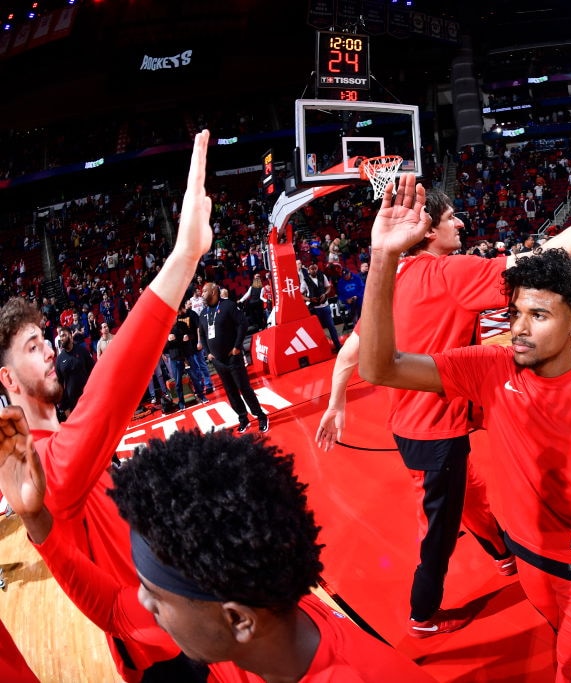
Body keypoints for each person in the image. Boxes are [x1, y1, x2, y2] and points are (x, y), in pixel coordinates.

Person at [315, 144, 571, 648]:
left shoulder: (396, 277)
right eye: (451, 218)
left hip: (412, 419)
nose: (460, 224)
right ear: (428, 231)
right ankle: (422, 613)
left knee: (469, 490)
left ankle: (500, 551)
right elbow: (544, 260)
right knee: (440, 526)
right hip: (436, 422)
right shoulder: (449, 272)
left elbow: (353, 350)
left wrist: (335, 401)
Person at [0, 131, 216, 681]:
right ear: (8, 379)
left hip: (181, 623)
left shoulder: (60, 447)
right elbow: (110, 389)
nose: (49, 349)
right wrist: (183, 257)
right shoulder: (43, 467)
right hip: (160, 654)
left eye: (44, 338)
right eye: (32, 347)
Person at [0, 414, 435, 683]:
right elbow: (115, 608)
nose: (142, 601)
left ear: (237, 619)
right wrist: (35, 517)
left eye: (155, 595)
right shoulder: (243, 612)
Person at [198, 281, 269, 434]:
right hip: (218, 361)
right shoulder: (203, 313)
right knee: (230, 391)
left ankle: (260, 416)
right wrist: (208, 353)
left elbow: (243, 324)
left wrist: (237, 346)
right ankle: (243, 418)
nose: (201, 294)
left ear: (213, 292)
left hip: (233, 358)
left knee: (244, 388)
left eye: (204, 291)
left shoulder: (228, 306)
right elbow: (202, 334)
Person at [165, 301, 210, 412]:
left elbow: (191, 335)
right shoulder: (165, 330)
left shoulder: (183, 325)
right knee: (178, 382)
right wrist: (168, 341)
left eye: (174, 315)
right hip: (175, 358)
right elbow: (164, 348)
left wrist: (187, 337)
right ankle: (181, 404)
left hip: (187, 356)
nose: (174, 318)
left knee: (195, 377)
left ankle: (202, 396)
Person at [300, 261, 342, 352]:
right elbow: (300, 295)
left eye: (315, 268)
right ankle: (322, 350)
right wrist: (309, 299)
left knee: (332, 327)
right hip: (315, 309)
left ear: (317, 268)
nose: (314, 270)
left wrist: (325, 294)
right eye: (312, 269)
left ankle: (338, 346)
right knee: (317, 330)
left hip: (325, 306)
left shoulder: (322, 276)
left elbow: (328, 287)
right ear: (308, 270)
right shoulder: (305, 280)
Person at [54, 325, 95, 417]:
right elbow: (60, 385)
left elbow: (93, 371)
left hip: (88, 398)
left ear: (70, 335)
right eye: (60, 336)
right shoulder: (59, 359)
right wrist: (65, 407)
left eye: (64, 335)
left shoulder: (82, 351)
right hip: (73, 404)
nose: (61, 338)